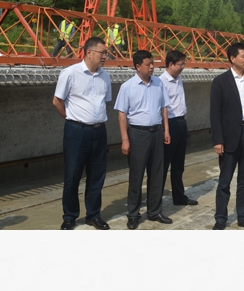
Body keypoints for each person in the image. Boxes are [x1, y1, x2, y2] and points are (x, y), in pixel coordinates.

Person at [52, 37, 112, 230]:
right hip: (77, 132)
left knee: (97, 175)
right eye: (102, 52)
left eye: (106, 53)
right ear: (89, 52)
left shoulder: (105, 76)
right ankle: (70, 216)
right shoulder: (70, 73)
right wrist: (71, 118)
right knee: (73, 175)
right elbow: (57, 101)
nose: (105, 56)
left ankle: (93, 215)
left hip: (99, 131)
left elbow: (105, 101)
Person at [210, 42, 244, 230]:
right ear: (232, 58)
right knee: (224, 181)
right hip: (229, 137)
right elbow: (215, 113)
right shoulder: (220, 81)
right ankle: (220, 218)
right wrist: (218, 140)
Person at [114, 50, 171, 230]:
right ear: (138, 67)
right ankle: (133, 214)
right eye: (148, 64)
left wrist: (166, 130)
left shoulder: (158, 83)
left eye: (153, 63)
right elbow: (122, 115)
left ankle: (154, 211)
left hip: (156, 133)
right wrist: (125, 139)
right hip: (138, 134)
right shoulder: (127, 87)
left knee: (157, 174)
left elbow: (164, 107)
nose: (152, 67)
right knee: (136, 176)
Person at [160, 50, 198, 207]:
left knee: (178, 163)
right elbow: (161, 107)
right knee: (163, 164)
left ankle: (179, 196)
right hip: (170, 123)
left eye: (184, 64)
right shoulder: (161, 82)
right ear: (171, 64)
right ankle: (156, 200)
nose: (183, 67)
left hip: (181, 122)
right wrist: (165, 129)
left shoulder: (178, 79)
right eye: (181, 64)